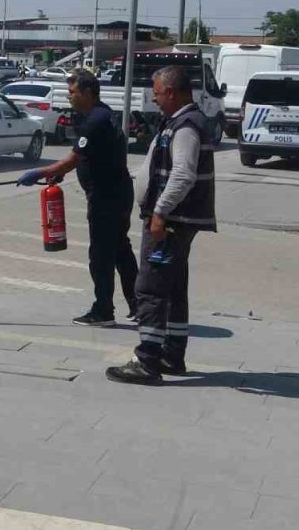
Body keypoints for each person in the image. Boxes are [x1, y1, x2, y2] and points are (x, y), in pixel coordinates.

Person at [105, 66, 216, 386]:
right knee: (173, 287)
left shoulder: (186, 126)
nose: (153, 99)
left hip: (171, 223)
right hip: (176, 221)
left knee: (151, 288)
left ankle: (148, 361)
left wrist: (159, 213)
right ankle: (172, 354)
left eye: (156, 93)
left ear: (171, 92)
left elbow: (183, 174)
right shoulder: (182, 122)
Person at [17, 71, 138, 327]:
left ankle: (103, 311)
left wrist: (41, 172)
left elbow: (72, 159)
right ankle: (140, 306)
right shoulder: (101, 114)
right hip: (117, 193)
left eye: (72, 92)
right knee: (120, 251)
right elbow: (88, 157)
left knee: (101, 256)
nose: (68, 97)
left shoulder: (95, 120)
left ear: (88, 93)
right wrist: (61, 172)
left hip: (106, 198)